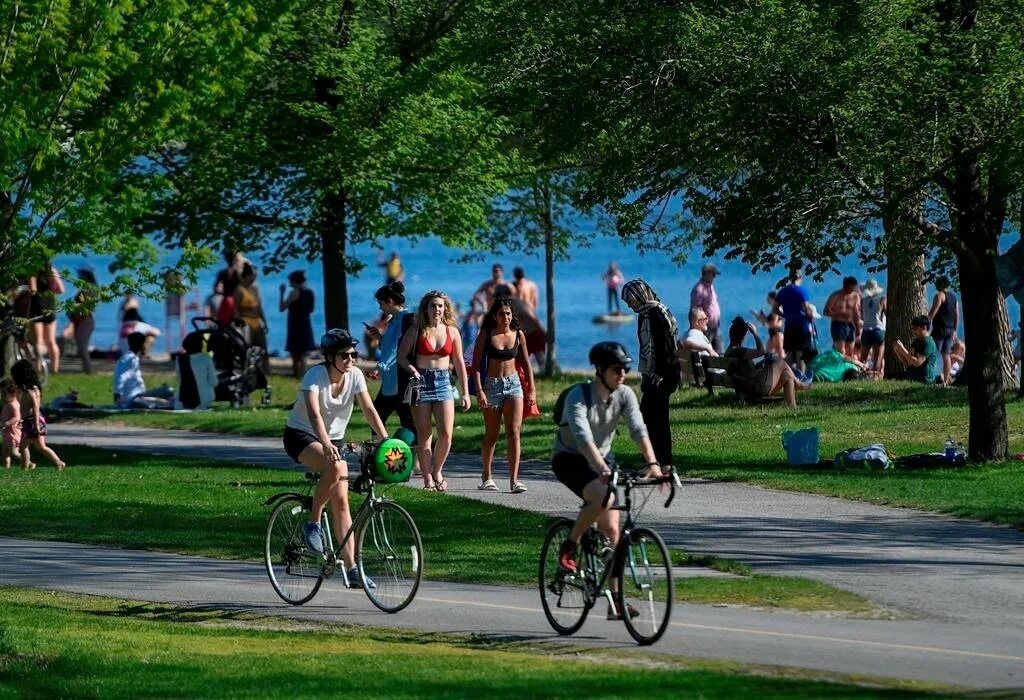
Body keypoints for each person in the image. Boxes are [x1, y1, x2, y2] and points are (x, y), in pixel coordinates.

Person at [551, 341, 663, 621]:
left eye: (625, 368)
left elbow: (638, 429)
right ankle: (570, 545)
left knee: (614, 533)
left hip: (602, 458)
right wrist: (601, 468)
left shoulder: (624, 395)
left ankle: (615, 604)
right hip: (571, 458)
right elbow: (582, 436)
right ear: (600, 370)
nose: (623, 374)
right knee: (603, 496)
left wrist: (653, 464)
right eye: (617, 369)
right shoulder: (579, 396)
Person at [284, 329, 388, 586]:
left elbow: (369, 409)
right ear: (330, 357)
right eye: (345, 355)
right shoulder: (315, 376)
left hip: (333, 440)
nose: (351, 359)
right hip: (302, 435)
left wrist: (385, 439)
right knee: (337, 464)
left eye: (354, 354)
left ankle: (352, 570)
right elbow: (315, 415)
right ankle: (313, 521)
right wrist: (327, 443)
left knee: (342, 502)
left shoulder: (355, 376)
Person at [397, 290, 471, 492]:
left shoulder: (452, 331)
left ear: (445, 308)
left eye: (440, 305)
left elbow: (459, 363)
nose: (437, 309)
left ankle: (437, 470)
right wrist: (412, 370)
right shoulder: (416, 330)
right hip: (421, 382)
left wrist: (465, 392)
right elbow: (401, 356)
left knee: (446, 434)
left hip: (444, 382)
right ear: (426, 308)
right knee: (425, 434)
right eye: (433, 305)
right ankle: (428, 478)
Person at [472, 297, 536, 494]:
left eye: (508, 313)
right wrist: (480, 391)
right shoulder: (486, 334)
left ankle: (514, 480)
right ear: (495, 316)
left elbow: (526, 364)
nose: (505, 317)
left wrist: (531, 390)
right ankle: (486, 476)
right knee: (492, 435)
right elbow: (475, 367)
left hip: (514, 385)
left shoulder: (519, 335)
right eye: (501, 314)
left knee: (514, 433)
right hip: (491, 386)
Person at [621, 279, 681, 467]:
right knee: (647, 414)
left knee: (658, 418)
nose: (630, 305)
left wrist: (658, 375)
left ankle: (663, 461)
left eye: (631, 300)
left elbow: (665, 348)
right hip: (653, 375)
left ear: (639, 296)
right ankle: (651, 459)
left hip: (664, 375)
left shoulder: (656, 314)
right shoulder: (644, 315)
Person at [365, 281, 419, 473]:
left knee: (408, 422)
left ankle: (412, 462)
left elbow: (397, 349)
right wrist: (379, 337)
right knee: (377, 417)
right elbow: (389, 347)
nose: (380, 307)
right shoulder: (394, 320)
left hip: (400, 381)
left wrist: (379, 367)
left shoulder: (405, 319)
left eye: (381, 303)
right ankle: (380, 456)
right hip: (390, 381)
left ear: (389, 301)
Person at [724, 317, 810, 407]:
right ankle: (800, 384)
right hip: (756, 387)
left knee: (787, 375)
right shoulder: (738, 351)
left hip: (748, 387)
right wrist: (755, 334)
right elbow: (761, 351)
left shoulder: (728, 352)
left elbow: (746, 370)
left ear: (731, 334)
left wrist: (759, 364)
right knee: (780, 361)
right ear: (743, 337)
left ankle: (793, 407)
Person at [9, 359, 64, 470]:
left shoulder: (30, 391)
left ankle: (24, 469)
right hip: (29, 421)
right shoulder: (30, 389)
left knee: (24, 446)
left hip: (32, 421)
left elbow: (35, 406)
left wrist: (36, 424)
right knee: (40, 447)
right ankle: (59, 463)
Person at [114, 332, 174, 409]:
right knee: (164, 401)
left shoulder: (133, 358)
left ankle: (165, 404)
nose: (147, 346)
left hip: (140, 395)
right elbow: (120, 377)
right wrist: (117, 395)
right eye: (146, 343)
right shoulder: (128, 359)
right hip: (133, 399)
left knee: (168, 390)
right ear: (141, 344)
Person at [494, 284, 547, 366]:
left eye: (498, 296)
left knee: (539, 357)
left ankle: (548, 373)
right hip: (525, 334)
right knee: (523, 359)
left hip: (533, 333)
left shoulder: (517, 303)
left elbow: (532, 317)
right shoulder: (511, 304)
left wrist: (542, 330)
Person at [774, 272, 815, 373]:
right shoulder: (802, 291)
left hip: (789, 325)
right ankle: (801, 378)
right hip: (802, 326)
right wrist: (811, 316)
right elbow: (806, 308)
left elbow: (775, 309)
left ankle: (788, 377)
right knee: (800, 354)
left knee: (789, 353)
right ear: (800, 277)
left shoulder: (782, 291)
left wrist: (785, 315)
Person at [280, 270, 316, 378]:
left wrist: (282, 293)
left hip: (295, 324)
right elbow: (311, 309)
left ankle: (296, 374)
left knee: (295, 352)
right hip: (306, 323)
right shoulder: (310, 292)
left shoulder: (294, 292)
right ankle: (304, 374)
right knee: (304, 352)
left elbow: (282, 308)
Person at [235, 262, 268, 373]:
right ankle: (246, 369)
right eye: (253, 275)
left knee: (262, 347)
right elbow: (235, 309)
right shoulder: (239, 290)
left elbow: (259, 307)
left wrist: (265, 322)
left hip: (256, 322)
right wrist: (238, 325)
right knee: (247, 348)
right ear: (247, 275)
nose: (254, 278)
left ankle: (265, 371)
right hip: (245, 322)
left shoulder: (255, 289)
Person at [31, 261, 64, 373]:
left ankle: (39, 368)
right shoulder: (52, 271)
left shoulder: (33, 270)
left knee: (38, 341)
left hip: (37, 307)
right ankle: (55, 369)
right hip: (50, 306)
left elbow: (33, 290)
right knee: (51, 341)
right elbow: (61, 290)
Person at [929, 276, 960, 386]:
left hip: (939, 329)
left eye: (937, 282)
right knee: (946, 355)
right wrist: (955, 330)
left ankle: (929, 377)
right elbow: (957, 314)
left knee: (931, 352)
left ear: (942, 284)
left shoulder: (940, 296)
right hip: (950, 330)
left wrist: (926, 322)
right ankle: (946, 381)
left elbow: (934, 311)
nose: (935, 284)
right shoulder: (954, 298)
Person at [175, 332, 218, 410]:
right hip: (203, 401)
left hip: (181, 401)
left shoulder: (179, 359)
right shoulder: (206, 358)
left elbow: (179, 379)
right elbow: (214, 382)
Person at [892, 315, 940, 384]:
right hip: (912, 380)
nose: (913, 330)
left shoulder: (928, 343)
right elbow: (908, 363)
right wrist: (898, 351)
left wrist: (902, 349)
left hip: (925, 382)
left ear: (924, 327)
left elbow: (917, 362)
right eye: (912, 328)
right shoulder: (916, 341)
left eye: (915, 328)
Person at [823, 276, 862, 357]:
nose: (852, 291)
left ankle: (848, 369)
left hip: (850, 325)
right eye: (850, 289)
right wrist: (839, 313)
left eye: (853, 289)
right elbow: (826, 311)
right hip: (838, 324)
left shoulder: (855, 296)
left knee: (850, 352)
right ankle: (840, 368)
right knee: (841, 351)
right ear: (845, 287)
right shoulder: (835, 296)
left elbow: (856, 313)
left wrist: (858, 328)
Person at [68, 268, 97, 374]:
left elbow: (88, 306)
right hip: (80, 320)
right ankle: (86, 369)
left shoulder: (91, 290)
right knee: (81, 347)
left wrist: (74, 306)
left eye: (81, 276)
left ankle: (89, 370)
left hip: (85, 320)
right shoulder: (85, 289)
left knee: (83, 347)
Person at [689, 263, 723, 353]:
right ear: (706, 274)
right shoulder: (699, 289)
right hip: (705, 327)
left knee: (719, 352)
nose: (714, 277)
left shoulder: (710, 287)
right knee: (705, 353)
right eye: (713, 274)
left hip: (715, 326)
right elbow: (695, 310)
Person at [859, 279, 887, 375]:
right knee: (877, 357)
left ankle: (861, 374)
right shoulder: (882, 299)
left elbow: (862, 316)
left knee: (863, 357)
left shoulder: (863, 301)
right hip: (879, 330)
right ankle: (876, 376)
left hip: (866, 330)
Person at [752, 291, 784, 357]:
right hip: (773, 333)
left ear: (772, 299)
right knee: (770, 353)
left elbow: (774, 324)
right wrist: (761, 317)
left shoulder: (776, 308)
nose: (767, 300)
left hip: (776, 333)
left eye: (768, 298)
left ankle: (786, 366)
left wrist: (763, 319)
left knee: (780, 353)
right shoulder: (775, 308)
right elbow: (769, 322)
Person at [1, 377, 21, 469]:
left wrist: (6, 423)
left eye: (4, 394)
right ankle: (6, 468)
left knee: (14, 453)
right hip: (7, 434)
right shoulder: (7, 404)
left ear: (13, 394)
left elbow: (17, 417)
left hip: (13, 433)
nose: (2, 396)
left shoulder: (14, 405)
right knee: (5, 453)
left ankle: (28, 462)